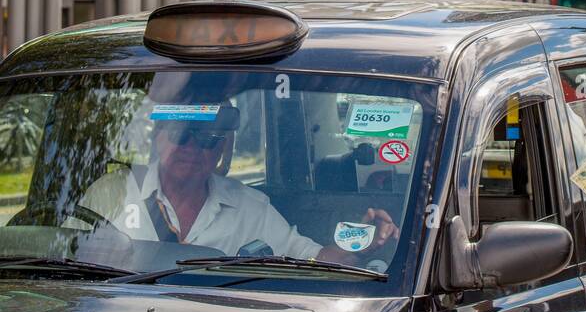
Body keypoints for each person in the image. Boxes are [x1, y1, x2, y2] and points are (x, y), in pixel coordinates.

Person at [82, 104, 397, 264]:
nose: (192, 147)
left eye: (208, 138)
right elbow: (68, 260)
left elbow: (313, 260)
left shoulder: (249, 207)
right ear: (159, 137)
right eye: (181, 134)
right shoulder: (113, 192)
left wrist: (361, 243)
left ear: (222, 149)